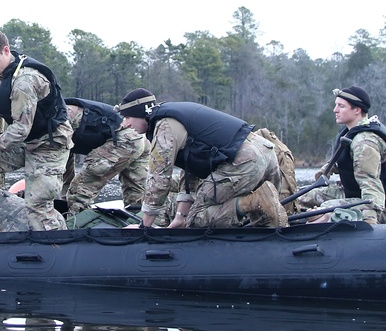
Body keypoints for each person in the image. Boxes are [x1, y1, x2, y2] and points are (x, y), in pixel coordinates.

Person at [117, 88, 287, 229]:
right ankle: (266, 215)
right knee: (267, 222)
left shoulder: (163, 126)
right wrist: (180, 217)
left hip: (244, 161)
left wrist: (143, 227)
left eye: (127, 117)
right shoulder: (175, 115)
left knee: (196, 218)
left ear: (139, 113)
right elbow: (190, 173)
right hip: (265, 151)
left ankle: (252, 201)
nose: (126, 124)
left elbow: (158, 179)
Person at [0, 29, 73, 233]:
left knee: (37, 206)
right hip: (25, 143)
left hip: (50, 144)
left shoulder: (25, 81)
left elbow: (20, 129)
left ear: (6, 50)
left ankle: (56, 243)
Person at [305, 86, 386, 224]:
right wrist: (325, 171)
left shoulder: (364, 142)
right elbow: (345, 158)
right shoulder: (351, 132)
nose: (335, 110)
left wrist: (370, 219)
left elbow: (370, 184)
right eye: (336, 105)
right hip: (355, 195)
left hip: (383, 207)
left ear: (357, 110)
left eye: (341, 106)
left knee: (323, 210)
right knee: (303, 197)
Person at [62, 97, 148, 216]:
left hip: (126, 140)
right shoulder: (58, 114)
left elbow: (52, 162)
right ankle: (140, 220)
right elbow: (64, 167)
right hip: (138, 139)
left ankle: (75, 225)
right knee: (136, 194)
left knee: (80, 192)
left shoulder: (55, 116)